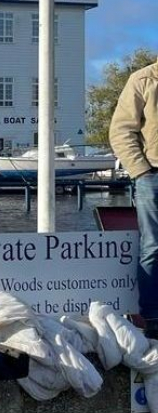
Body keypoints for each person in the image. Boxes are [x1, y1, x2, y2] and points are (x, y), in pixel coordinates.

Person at [110, 58, 158, 336]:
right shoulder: (142, 80)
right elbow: (121, 130)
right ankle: (152, 318)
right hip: (153, 175)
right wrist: (141, 172)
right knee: (153, 247)